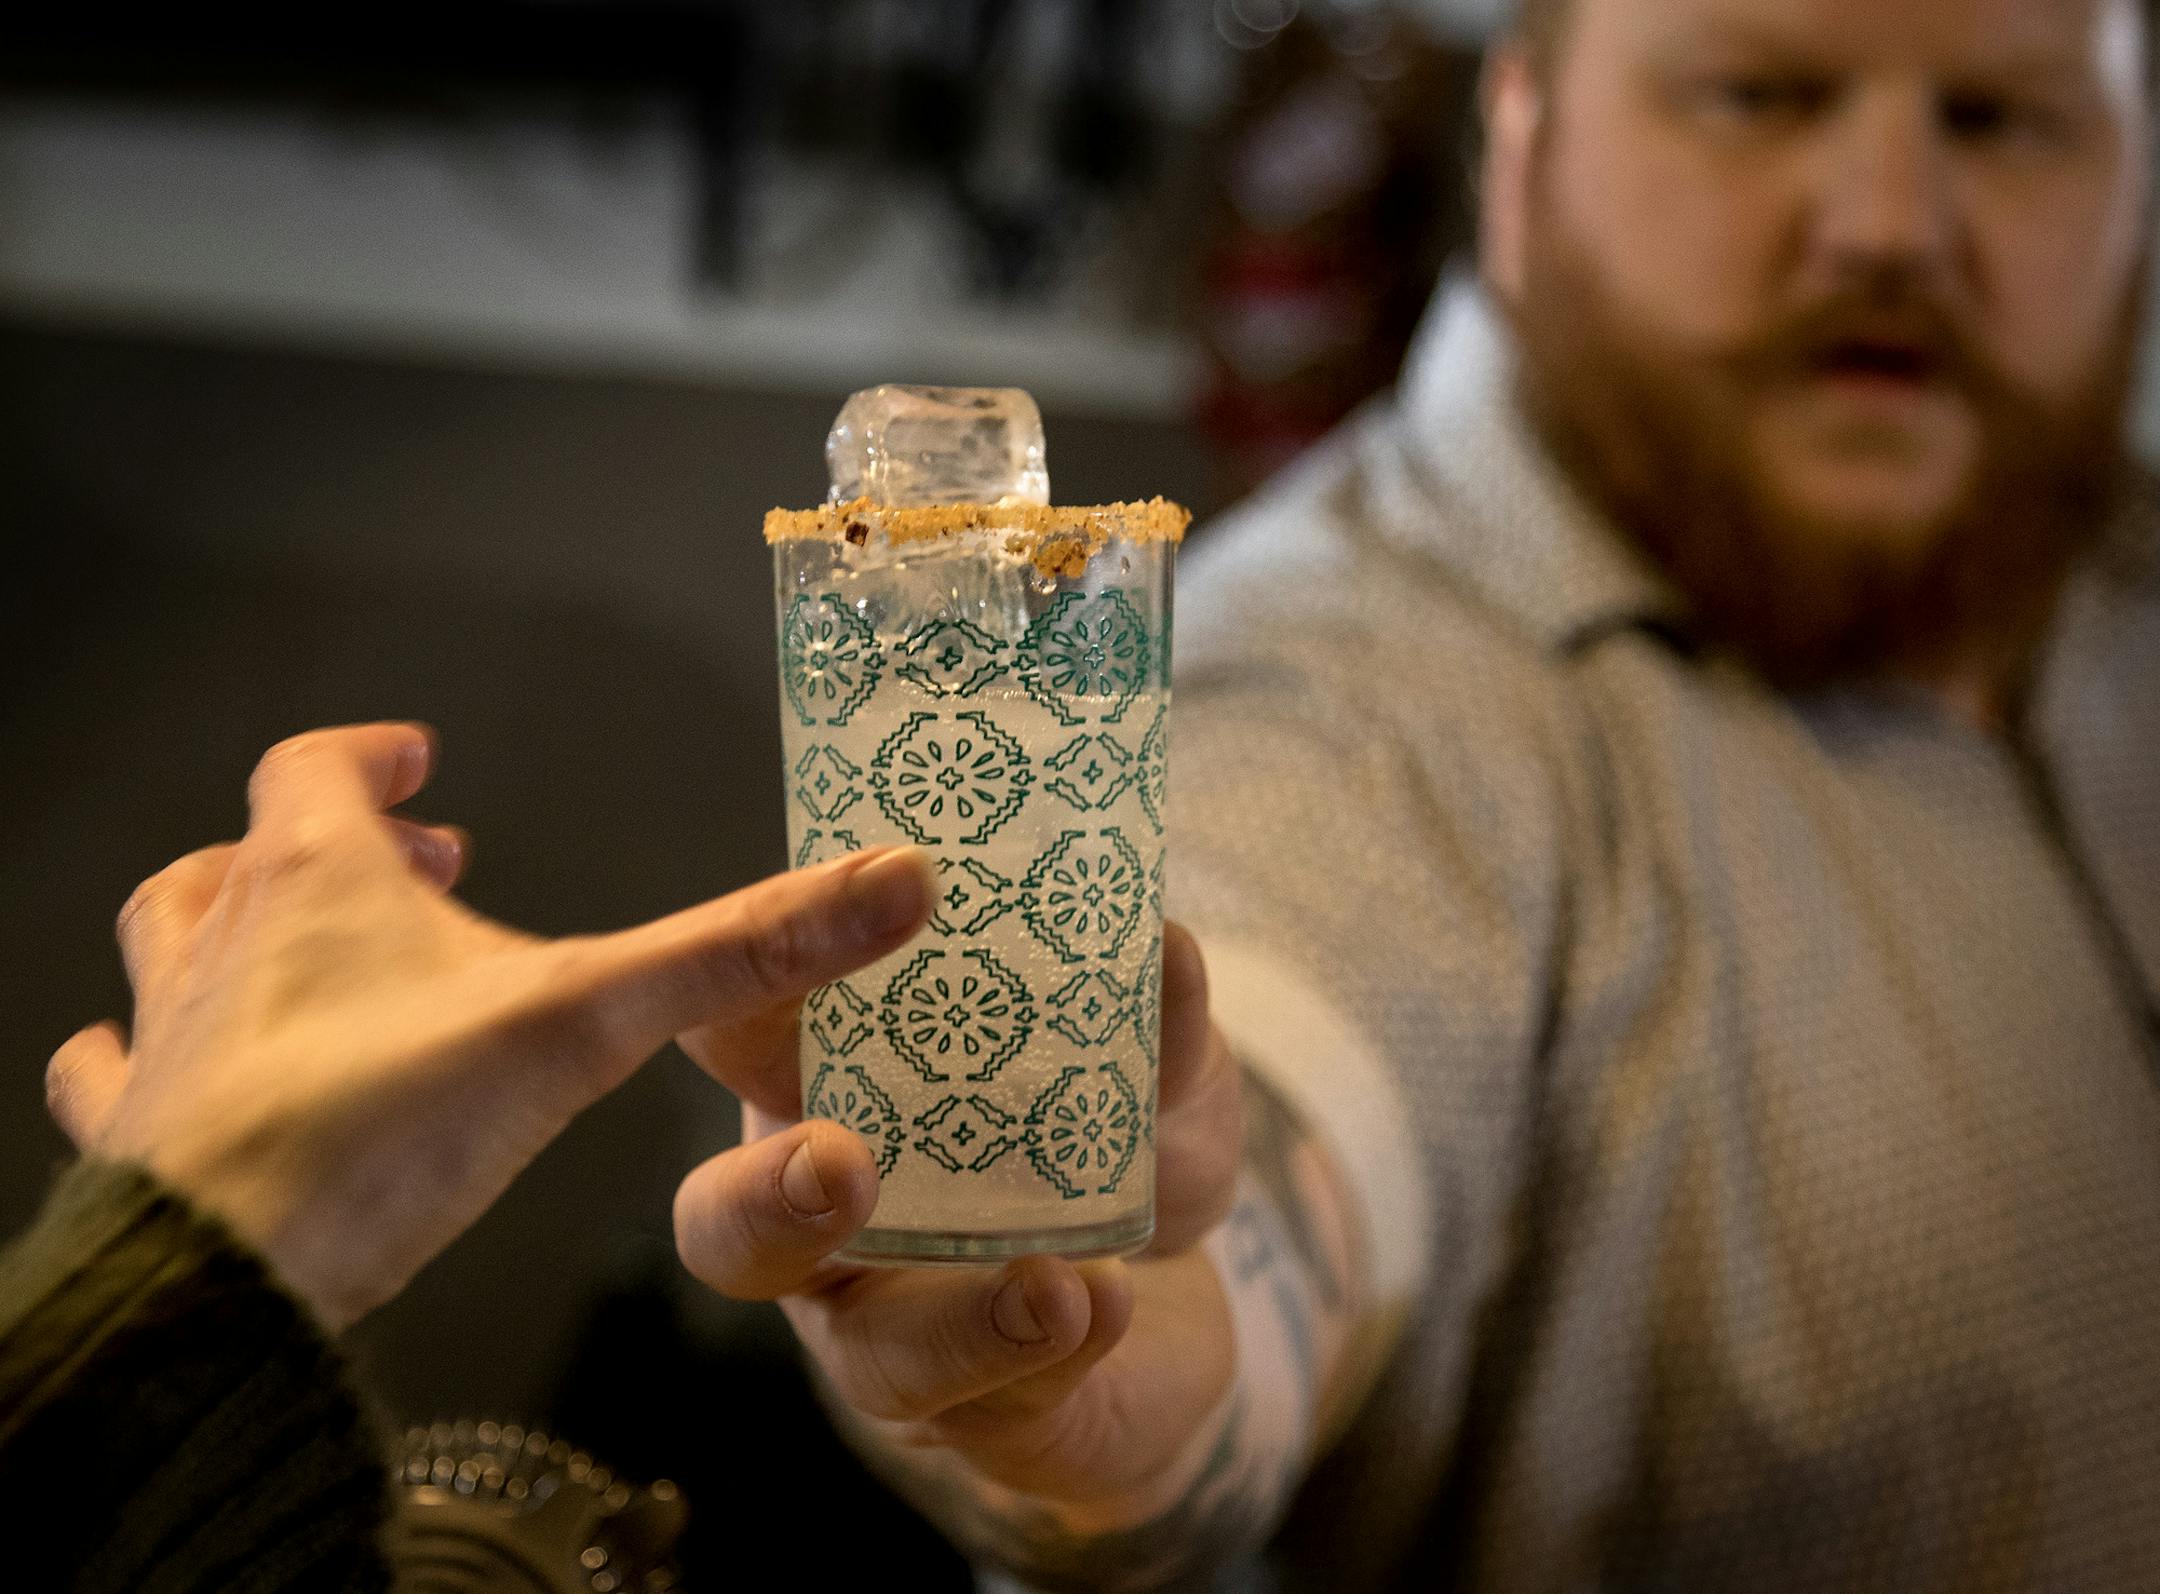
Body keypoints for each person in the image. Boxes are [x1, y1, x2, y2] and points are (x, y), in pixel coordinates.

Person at [9, 0, 2158, 1591]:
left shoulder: (2115, 585)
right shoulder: (1360, 689)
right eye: (1760, 93)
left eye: (2003, 119)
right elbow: (1271, 1173)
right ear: (1520, 139)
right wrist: (1099, 1352)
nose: (1891, 217)